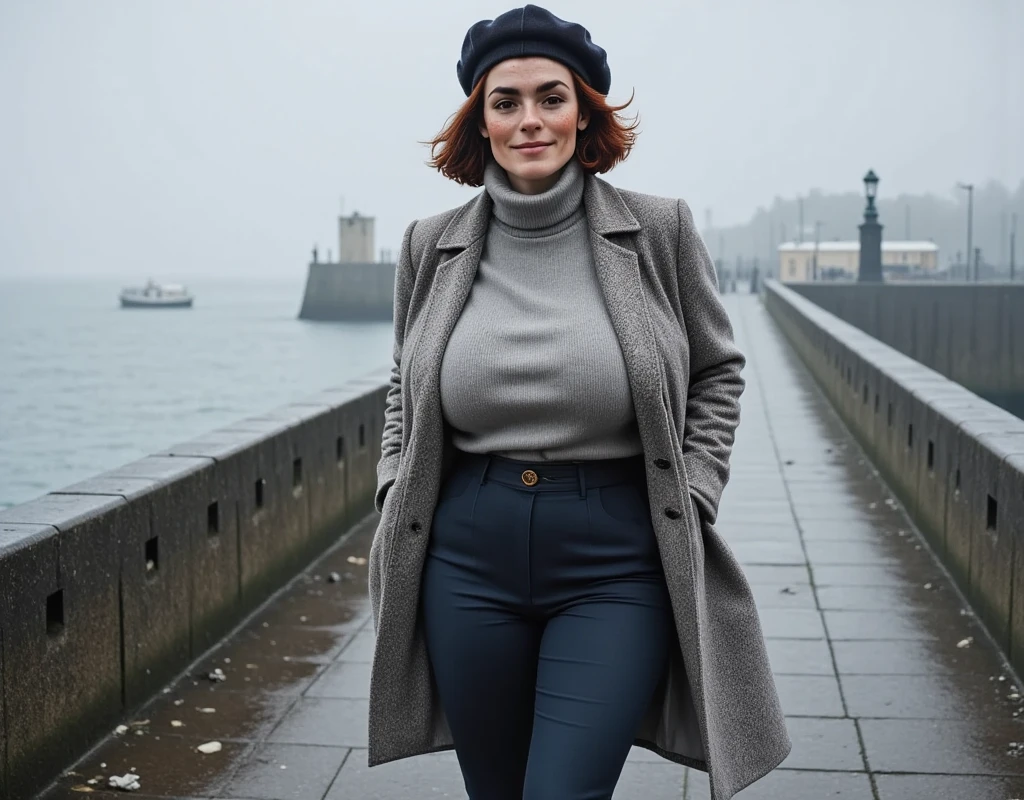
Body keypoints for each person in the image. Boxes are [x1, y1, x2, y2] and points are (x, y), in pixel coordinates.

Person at [367, 6, 790, 799]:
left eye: (551, 98)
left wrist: (694, 492)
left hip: (615, 559)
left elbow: (719, 372)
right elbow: (403, 385)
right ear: (480, 123)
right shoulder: (431, 243)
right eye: (506, 101)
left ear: (584, 111)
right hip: (466, 555)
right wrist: (394, 486)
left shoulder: (658, 229)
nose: (530, 119)